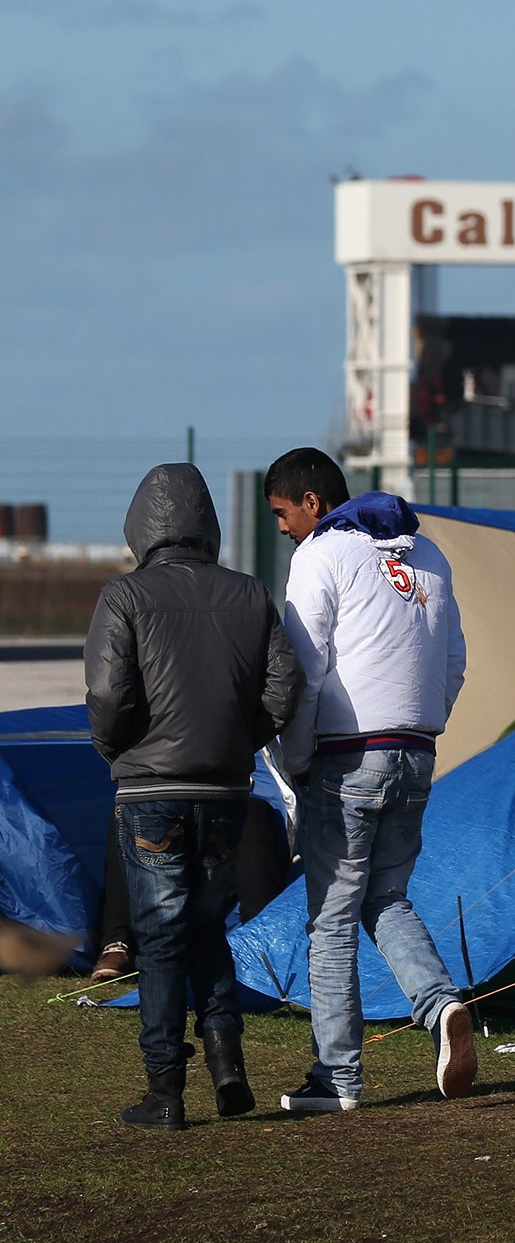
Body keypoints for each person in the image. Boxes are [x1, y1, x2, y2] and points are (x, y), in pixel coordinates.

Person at [85, 463, 303, 1131]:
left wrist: (119, 752)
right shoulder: (250, 595)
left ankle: (164, 1090)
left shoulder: (124, 597)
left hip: (151, 789)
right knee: (209, 926)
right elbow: (284, 688)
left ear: (139, 527)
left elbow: (106, 695)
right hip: (226, 789)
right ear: (207, 522)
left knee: (158, 939)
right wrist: (241, 741)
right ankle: (228, 1067)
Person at [265, 447, 475, 1113]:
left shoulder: (320, 556)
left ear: (313, 504)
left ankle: (338, 1078)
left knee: (329, 921)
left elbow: (302, 672)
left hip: (345, 755)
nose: (280, 527)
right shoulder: (430, 556)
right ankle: (442, 1006)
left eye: (281, 512)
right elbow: (455, 660)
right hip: (416, 751)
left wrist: (295, 760)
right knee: (384, 897)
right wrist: (424, 724)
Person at [92, 793, 291, 981]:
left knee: (252, 812)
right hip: (162, 791)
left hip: (220, 792)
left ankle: (262, 941)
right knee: (128, 814)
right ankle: (117, 942)